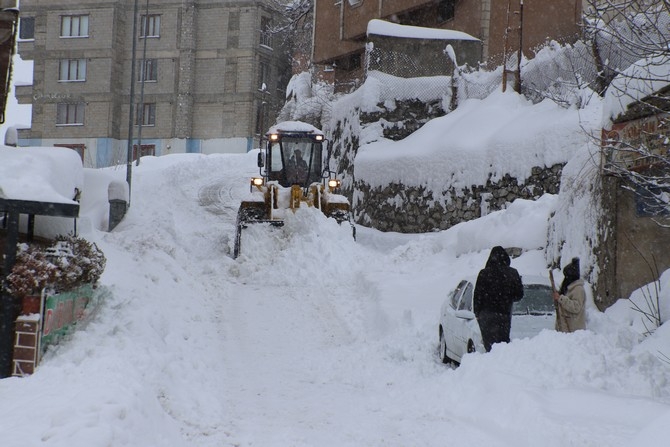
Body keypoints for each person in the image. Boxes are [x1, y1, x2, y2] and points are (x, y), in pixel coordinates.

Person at [474, 246, 524, 352]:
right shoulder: (512, 273)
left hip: (486, 315)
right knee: (502, 346)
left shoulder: (484, 273)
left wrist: (477, 313)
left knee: (489, 347)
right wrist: (507, 297)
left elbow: (477, 296)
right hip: (504, 315)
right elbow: (519, 295)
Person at [553, 257, 586, 333]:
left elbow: (576, 307)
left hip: (573, 331)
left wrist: (561, 298)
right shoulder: (568, 289)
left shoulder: (578, 289)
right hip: (565, 329)